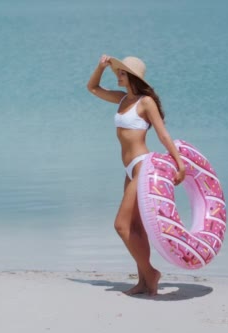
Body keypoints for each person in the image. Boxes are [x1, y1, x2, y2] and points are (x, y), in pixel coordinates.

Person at [86, 55, 186, 296]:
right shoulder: (121, 100)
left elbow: (162, 134)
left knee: (121, 225)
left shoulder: (146, 102)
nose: (118, 76)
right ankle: (144, 282)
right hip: (129, 169)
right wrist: (100, 67)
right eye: (118, 72)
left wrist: (179, 163)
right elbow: (92, 88)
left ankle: (150, 272)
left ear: (132, 76)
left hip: (142, 166)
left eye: (122, 73)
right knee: (136, 226)